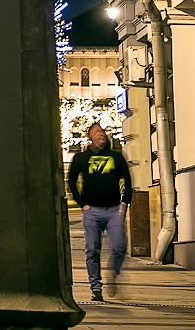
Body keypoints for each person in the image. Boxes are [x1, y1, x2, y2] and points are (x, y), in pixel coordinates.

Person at [68, 123, 133, 302]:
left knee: (120, 247)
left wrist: (124, 203)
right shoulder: (81, 158)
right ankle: (96, 288)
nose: (101, 135)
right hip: (92, 211)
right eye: (96, 132)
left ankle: (113, 272)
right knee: (93, 250)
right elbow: (72, 181)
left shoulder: (116, 157)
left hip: (114, 210)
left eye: (102, 132)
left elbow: (127, 180)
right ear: (90, 137)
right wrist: (82, 203)